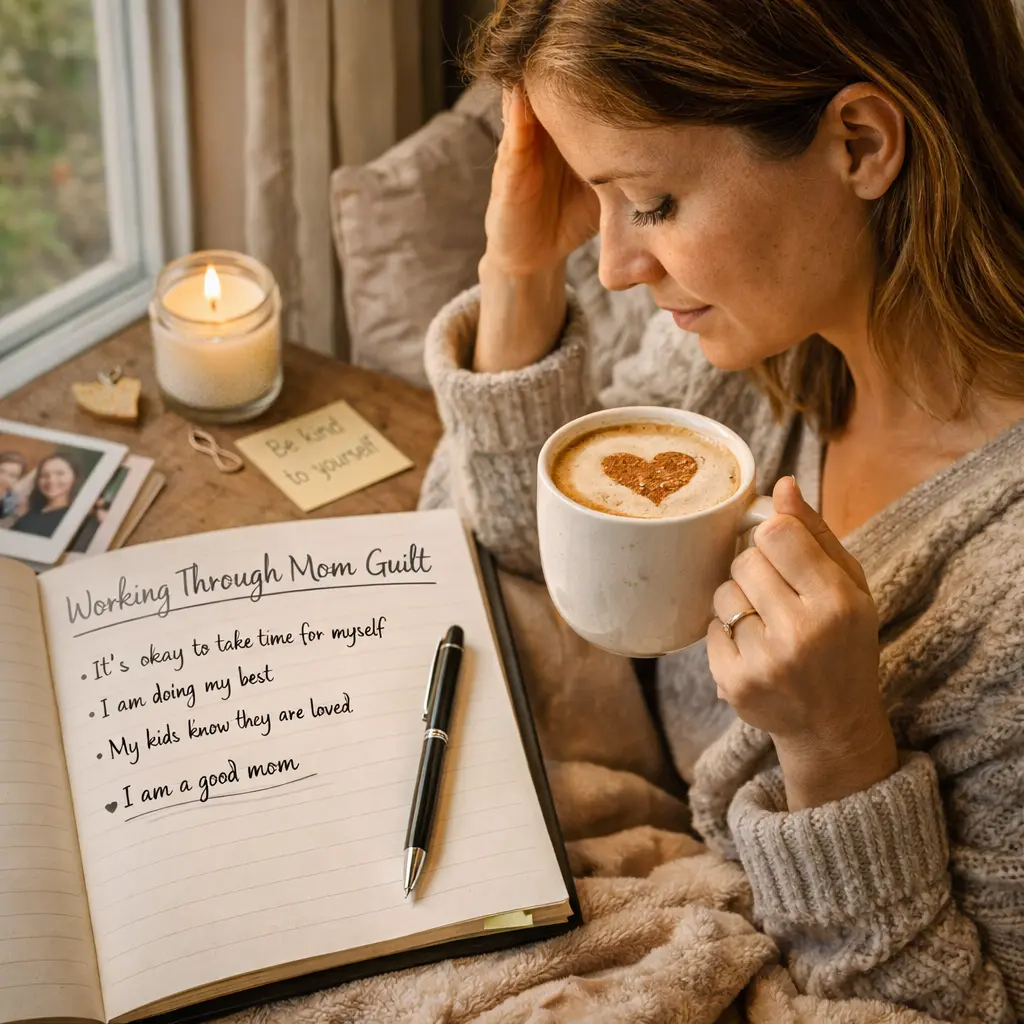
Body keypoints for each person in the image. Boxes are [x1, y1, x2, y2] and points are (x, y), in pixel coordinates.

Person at [416, 1, 1024, 1020]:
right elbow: (550, 556)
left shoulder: (1002, 599)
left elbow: (957, 1007)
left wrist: (836, 749)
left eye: (651, 202)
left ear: (859, 143)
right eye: (594, 196)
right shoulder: (751, 348)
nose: (613, 266)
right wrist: (515, 272)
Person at [11, 453, 82, 538]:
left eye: (60, 473)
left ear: (74, 477)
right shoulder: (33, 508)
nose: (51, 480)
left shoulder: (74, 518)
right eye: (44, 475)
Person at [0, 451, 27, 525]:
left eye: (12, 475)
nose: (4, 478)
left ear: (18, 479)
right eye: (1, 471)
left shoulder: (13, 499)